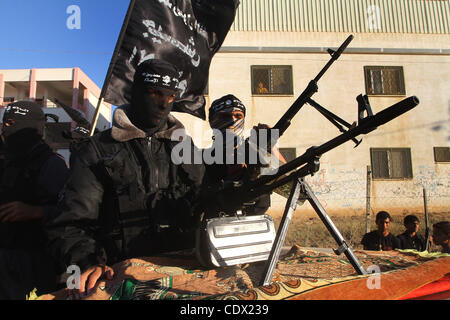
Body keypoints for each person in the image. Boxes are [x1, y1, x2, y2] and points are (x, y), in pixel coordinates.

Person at [45, 59, 205, 299]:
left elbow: (206, 203)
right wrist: (86, 262)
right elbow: (71, 223)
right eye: (154, 93)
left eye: (170, 97)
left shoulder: (188, 149)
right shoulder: (97, 150)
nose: (163, 103)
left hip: (183, 279)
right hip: (120, 280)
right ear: (136, 93)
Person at [0, 101, 69, 299]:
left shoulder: (51, 164)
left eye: (12, 122)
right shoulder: (9, 162)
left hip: (35, 261)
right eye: (5, 123)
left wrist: (34, 211)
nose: (6, 129)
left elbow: (72, 213)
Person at [203, 94, 271, 216]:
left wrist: (270, 147)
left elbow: (294, 191)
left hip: (257, 228)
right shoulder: (202, 159)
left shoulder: (253, 151)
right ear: (213, 122)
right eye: (225, 116)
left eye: (238, 116)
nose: (233, 121)